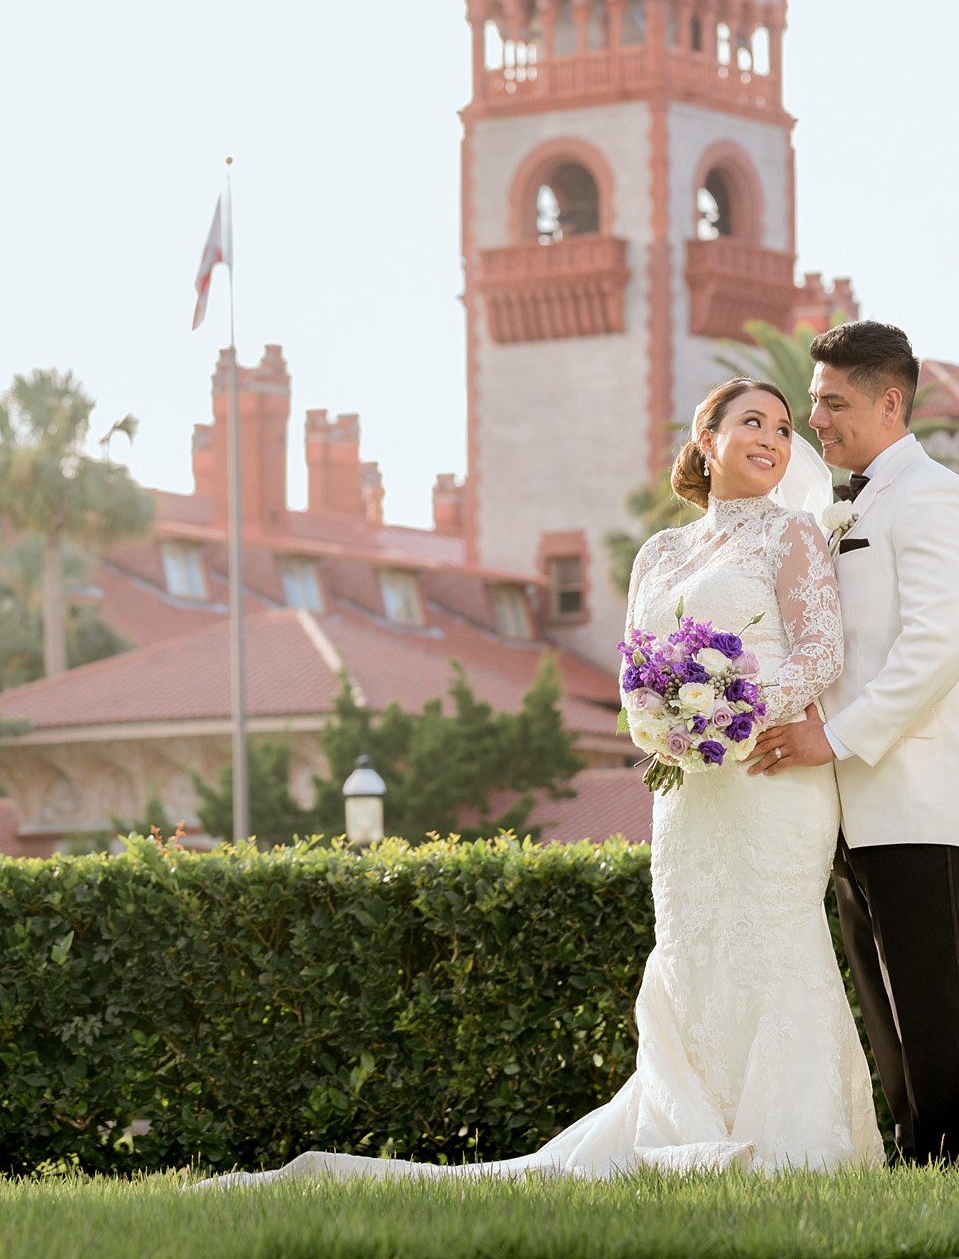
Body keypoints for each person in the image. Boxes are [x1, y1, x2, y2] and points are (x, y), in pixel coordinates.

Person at [202, 378, 883, 1184]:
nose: (771, 437)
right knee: (695, 950)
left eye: (780, 426)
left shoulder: (794, 536)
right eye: (750, 422)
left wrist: (733, 717)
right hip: (689, 798)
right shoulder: (660, 554)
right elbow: (636, 674)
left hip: (769, 778)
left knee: (774, 943)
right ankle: (689, 1124)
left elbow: (819, 653)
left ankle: (791, 1134)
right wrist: (667, 729)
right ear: (708, 439)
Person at [750, 320, 959, 1162]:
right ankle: (918, 1163)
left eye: (831, 401)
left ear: (891, 402)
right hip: (850, 807)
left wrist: (837, 738)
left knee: (932, 1003)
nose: (815, 418)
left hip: (917, 796)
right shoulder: (842, 502)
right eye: (814, 401)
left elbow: (937, 643)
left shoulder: (935, 495)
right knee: (885, 1007)